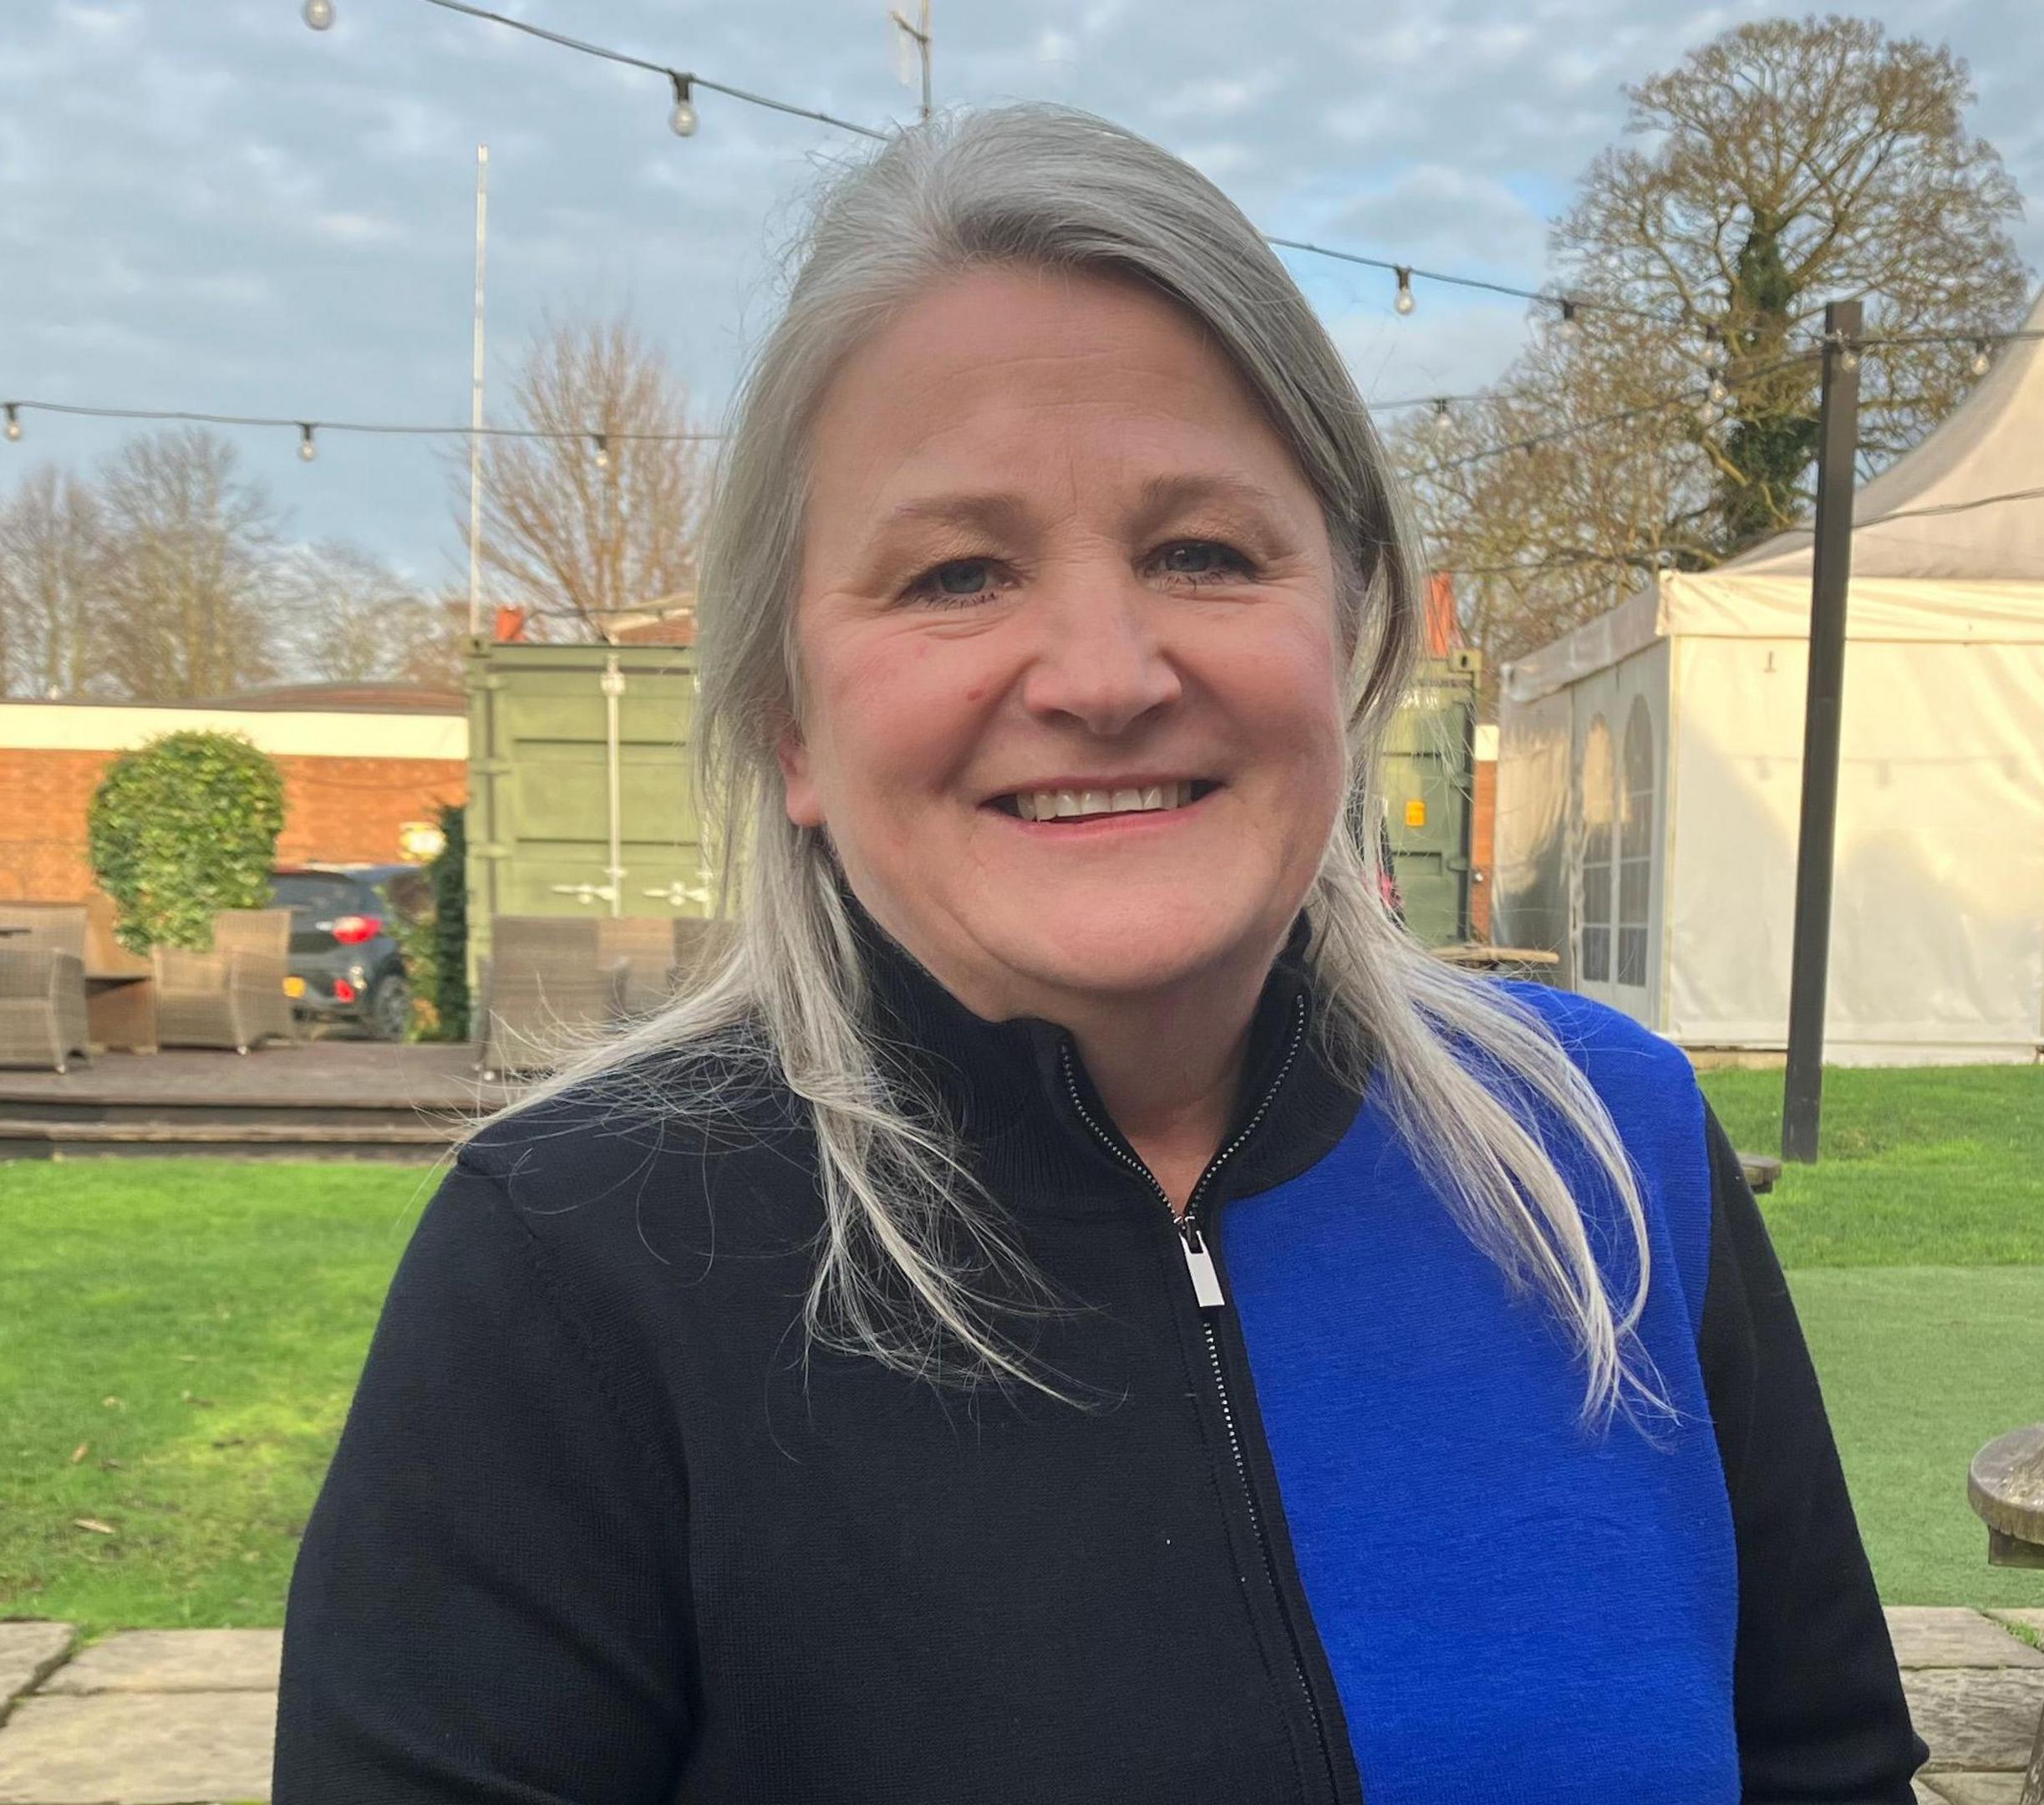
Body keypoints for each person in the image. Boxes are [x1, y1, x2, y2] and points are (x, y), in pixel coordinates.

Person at [274, 104, 1924, 1805]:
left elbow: (1828, 1772)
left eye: (1203, 552)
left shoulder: (1611, 1152)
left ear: (1353, 633)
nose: (1104, 670)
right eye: (958, 573)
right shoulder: (571, 1266)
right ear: (786, 720)